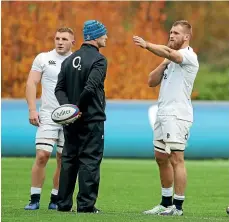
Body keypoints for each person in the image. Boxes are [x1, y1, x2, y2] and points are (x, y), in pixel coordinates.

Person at [133, 20, 199, 216]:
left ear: (186, 37)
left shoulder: (188, 56)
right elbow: (151, 81)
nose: (171, 35)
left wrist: (147, 45)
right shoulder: (170, 58)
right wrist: (164, 61)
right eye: (170, 32)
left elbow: (172, 53)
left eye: (176, 33)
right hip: (163, 113)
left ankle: (177, 207)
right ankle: (165, 203)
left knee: (176, 158)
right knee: (161, 157)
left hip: (177, 114)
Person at [55, 20, 108, 213]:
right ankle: (86, 206)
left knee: (69, 160)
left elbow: (59, 89)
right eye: (104, 34)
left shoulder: (69, 60)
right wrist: (78, 109)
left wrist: (68, 111)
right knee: (90, 160)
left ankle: (63, 204)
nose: (106, 38)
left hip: (70, 121)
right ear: (95, 36)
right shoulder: (99, 60)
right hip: (91, 119)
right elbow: (91, 87)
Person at [24, 27, 75, 210]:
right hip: (47, 115)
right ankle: (34, 198)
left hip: (70, 117)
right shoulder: (43, 58)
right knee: (42, 156)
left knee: (63, 159)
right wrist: (32, 110)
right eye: (57, 38)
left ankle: (55, 199)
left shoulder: (77, 61)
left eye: (64, 39)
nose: (60, 42)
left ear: (72, 42)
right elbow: (31, 82)